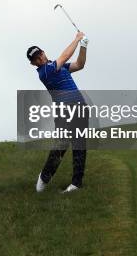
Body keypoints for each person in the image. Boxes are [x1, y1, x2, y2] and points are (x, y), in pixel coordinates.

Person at [26, 32, 89, 193]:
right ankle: (44, 177)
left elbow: (80, 64)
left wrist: (84, 46)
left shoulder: (59, 66)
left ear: (43, 52)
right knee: (60, 147)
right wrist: (76, 39)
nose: (39, 58)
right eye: (35, 59)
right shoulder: (45, 72)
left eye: (40, 54)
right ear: (34, 63)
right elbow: (65, 56)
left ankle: (76, 184)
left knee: (79, 146)